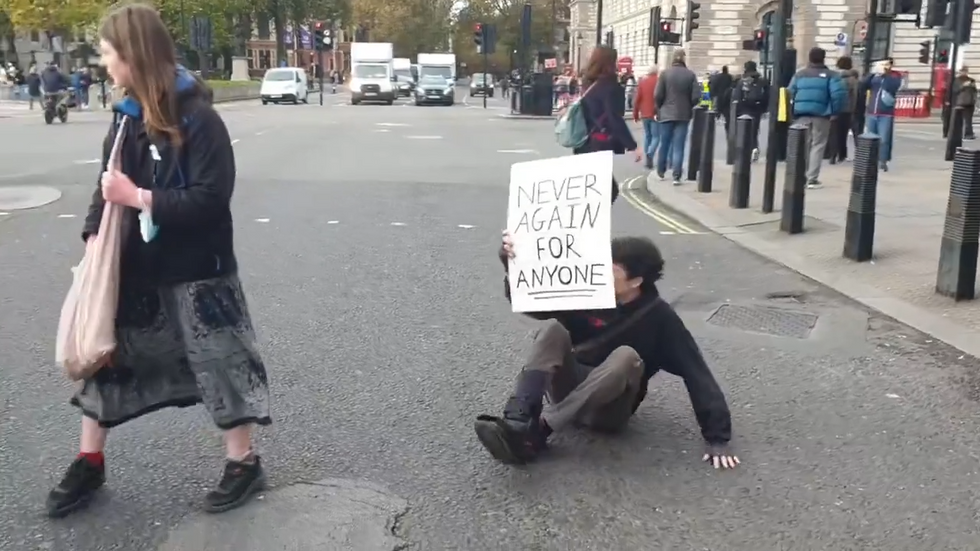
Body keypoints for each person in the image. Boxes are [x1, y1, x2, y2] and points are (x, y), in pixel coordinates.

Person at [45, 3, 271, 519]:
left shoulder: (200, 120)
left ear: (132, 55)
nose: (104, 64)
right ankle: (89, 459)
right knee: (109, 362)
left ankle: (244, 462)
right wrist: (92, 239)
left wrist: (139, 196)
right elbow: (106, 186)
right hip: (136, 268)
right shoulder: (125, 118)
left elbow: (211, 198)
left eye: (108, 53)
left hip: (198, 270)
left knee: (219, 362)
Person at [473, 234, 739, 470]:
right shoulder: (589, 291)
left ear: (636, 281)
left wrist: (717, 438)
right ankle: (518, 420)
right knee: (553, 328)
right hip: (569, 389)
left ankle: (540, 431)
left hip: (608, 411)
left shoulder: (660, 317)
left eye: (609, 271)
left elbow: (696, 372)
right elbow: (533, 304)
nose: (598, 273)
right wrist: (512, 264)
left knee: (626, 356)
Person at [570, 45, 641, 202]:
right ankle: (588, 223)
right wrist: (632, 146)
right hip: (599, 143)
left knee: (592, 190)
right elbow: (613, 118)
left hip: (583, 142)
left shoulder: (587, 82)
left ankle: (587, 223)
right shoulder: (610, 86)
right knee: (609, 191)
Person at [787, 47, 846, 189]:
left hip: (801, 113)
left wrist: (792, 111)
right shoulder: (832, 75)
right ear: (823, 58)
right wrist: (835, 112)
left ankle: (799, 175)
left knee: (803, 144)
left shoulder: (800, 75)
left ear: (809, 58)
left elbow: (789, 92)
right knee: (818, 145)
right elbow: (838, 94)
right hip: (822, 114)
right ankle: (812, 178)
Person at [654, 49, 701, 185]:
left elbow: (657, 95)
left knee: (665, 143)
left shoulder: (665, 74)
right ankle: (676, 175)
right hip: (683, 115)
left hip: (666, 113)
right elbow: (696, 97)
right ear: (684, 59)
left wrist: (660, 107)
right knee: (678, 146)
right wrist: (689, 105)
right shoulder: (690, 75)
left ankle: (661, 171)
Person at [862, 58, 902, 172]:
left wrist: (886, 75)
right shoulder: (874, 77)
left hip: (885, 113)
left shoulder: (894, 76)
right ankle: (870, 161)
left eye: (887, 64)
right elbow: (863, 85)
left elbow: (893, 87)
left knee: (884, 139)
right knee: (870, 138)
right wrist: (872, 73)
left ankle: (882, 161)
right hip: (872, 111)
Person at [731, 60, 770, 162]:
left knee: (743, 130)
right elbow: (767, 96)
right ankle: (754, 147)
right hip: (756, 108)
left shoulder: (742, 81)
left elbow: (736, 96)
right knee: (754, 130)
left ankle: (745, 151)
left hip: (743, 108)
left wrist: (736, 110)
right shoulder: (762, 81)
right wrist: (764, 109)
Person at [832, 56, 860, 162]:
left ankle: (833, 155)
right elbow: (855, 96)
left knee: (835, 133)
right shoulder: (852, 79)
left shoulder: (833, 77)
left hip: (834, 108)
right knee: (845, 133)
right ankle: (843, 155)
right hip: (847, 110)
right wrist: (853, 109)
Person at [633, 65, 659, 169]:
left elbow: (637, 99)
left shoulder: (642, 82)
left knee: (648, 136)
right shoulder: (659, 81)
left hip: (644, 114)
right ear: (656, 72)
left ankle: (648, 160)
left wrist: (635, 114)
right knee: (656, 137)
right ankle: (650, 153)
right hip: (655, 113)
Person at [953, 66, 976, 140]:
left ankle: (969, 133)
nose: (964, 72)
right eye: (963, 71)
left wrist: (975, 100)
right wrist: (963, 86)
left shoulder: (971, 80)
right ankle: (959, 134)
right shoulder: (956, 80)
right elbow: (955, 90)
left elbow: (974, 91)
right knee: (960, 120)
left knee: (968, 120)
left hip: (970, 102)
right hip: (961, 102)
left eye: (965, 71)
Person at [709, 65, 734, 131]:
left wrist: (714, 93)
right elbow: (732, 85)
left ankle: (717, 117)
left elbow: (715, 85)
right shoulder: (729, 77)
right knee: (726, 110)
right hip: (727, 96)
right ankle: (726, 121)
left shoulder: (718, 77)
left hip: (719, 95)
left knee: (718, 108)